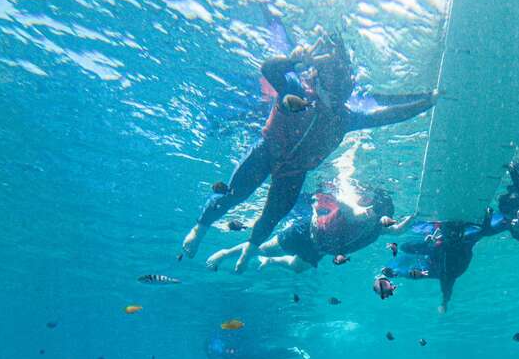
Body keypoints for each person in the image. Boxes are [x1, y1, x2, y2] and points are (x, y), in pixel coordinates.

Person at [182, 27, 437, 273]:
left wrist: (427, 102)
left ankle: (250, 249)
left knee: (273, 215)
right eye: (333, 88)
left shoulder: (345, 118)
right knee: (234, 194)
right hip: (266, 152)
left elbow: (387, 116)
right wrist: (295, 60)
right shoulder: (295, 88)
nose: (338, 99)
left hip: (294, 172)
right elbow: (269, 69)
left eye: (343, 92)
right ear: (317, 80)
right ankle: (200, 228)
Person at [204, 186, 411, 271]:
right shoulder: (355, 213)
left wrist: (417, 216)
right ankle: (225, 253)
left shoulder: (377, 228)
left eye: (377, 216)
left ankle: (271, 262)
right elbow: (346, 205)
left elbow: (398, 230)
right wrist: (331, 195)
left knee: (297, 268)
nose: (370, 216)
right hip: (305, 232)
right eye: (371, 211)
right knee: (261, 248)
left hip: (318, 249)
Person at [381, 209, 507, 312]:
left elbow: (405, 247)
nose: (452, 236)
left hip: (443, 271)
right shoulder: (465, 241)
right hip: (447, 269)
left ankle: (396, 273)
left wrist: (425, 244)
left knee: (418, 275)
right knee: (436, 284)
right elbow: (485, 231)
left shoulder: (441, 246)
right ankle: (444, 303)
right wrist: (488, 217)